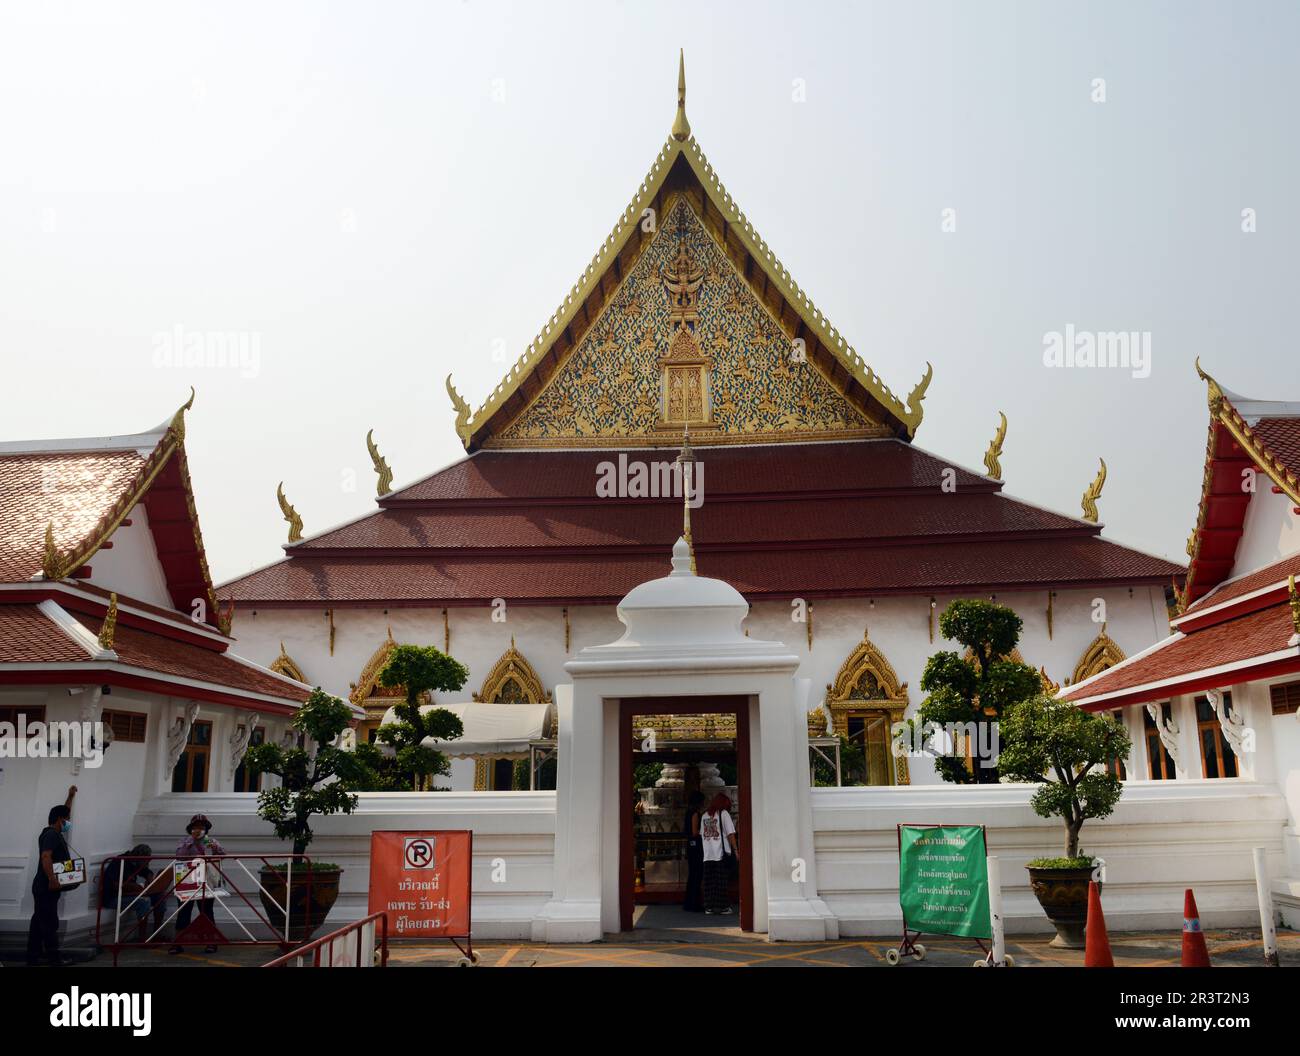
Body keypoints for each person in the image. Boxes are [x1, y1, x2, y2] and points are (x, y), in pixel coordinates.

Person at [26, 785, 78, 966]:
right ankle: (54, 959)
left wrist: (70, 797)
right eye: (66, 820)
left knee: (38, 921)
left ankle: (32, 956)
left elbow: (64, 811)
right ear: (59, 820)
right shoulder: (51, 836)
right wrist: (53, 879)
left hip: (44, 886)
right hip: (46, 885)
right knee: (49, 923)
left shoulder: (55, 833)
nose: (68, 823)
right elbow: (46, 856)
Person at [170, 814, 225, 954]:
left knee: (206, 912)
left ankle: (211, 942)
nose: (198, 830)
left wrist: (214, 848)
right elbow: (179, 856)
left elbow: (222, 855)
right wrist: (190, 844)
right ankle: (177, 943)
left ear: (206, 829)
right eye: (196, 827)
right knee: (183, 912)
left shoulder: (211, 841)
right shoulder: (185, 842)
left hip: (206, 880)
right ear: (190, 829)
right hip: (187, 880)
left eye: (202, 827)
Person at [101, 844, 166, 943]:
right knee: (144, 901)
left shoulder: (137, 862)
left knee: (160, 898)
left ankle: (156, 935)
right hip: (114, 898)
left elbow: (147, 872)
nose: (146, 863)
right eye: (146, 861)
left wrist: (150, 879)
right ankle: (142, 939)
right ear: (140, 857)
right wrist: (134, 887)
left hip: (130, 894)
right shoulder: (119, 862)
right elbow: (114, 885)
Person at [699, 792, 737, 916]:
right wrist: (736, 850)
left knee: (709, 882)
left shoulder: (704, 816)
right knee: (721, 881)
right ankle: (723, 907)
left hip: (707, 854)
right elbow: (730, 833)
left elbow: (702, 835)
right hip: (720, 853)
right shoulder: (724, 814)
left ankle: (709, 906)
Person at [682, 790, 705, 913]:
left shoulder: (688, 812)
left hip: (690, 845)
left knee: (692, 874)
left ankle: (690, 902)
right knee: (697, 874)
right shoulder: (695, 813)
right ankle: (695, 903)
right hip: (696, 845)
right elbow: (695, 831)